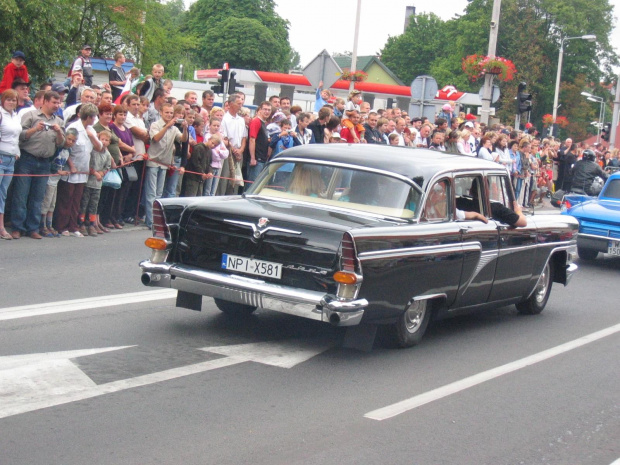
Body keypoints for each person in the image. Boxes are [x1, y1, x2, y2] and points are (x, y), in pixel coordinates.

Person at [10, 91, 65, 239]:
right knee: (21, 195)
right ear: (45, 101)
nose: (57, 105)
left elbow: (62, 144)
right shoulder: (31, 116)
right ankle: (17, 227)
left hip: (45, 162)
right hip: (27, 159)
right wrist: (35, 129)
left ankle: (32, 228)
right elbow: (19, 135)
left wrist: (59, 133)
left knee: (38, 197)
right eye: (54, 102)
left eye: (58, 102)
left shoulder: (58, 121)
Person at [56, 103, 102, 237]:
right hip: (72, 169)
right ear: (88, 117)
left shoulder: (91, 130)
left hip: (83, 170)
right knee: (66, 199)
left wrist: (92, 136)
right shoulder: (73, 127)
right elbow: (67, 148)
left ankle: (73, 226)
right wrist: (71, 166)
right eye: (94, 117)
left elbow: (99, 148)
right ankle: (62, 226)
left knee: (77, 200)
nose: (95, 120)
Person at [144, 103, 188, 227]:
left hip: (164, 163)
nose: (169, 115)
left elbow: (183, 139)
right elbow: (156, 138)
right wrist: (166, 126)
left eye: (170, 113)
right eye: (166, 112)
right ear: (161, 113)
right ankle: (150, 220)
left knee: (159, 194)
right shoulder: (155, 125)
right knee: (151, 193)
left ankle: (157, 220)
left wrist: (185, 128)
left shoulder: (174, 128)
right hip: (153, 162)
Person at [39, 129, 77, 237]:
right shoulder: (58, 149)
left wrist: (72, 167)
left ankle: (49, 225)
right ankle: (43, 226)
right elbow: (49, 162)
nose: (70, 142)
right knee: (46, 203)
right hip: (49, 179)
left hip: (56, 181)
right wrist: (58, 171)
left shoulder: (67, 151)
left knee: (52, 204)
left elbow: (67, 159)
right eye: (69, 139)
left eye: (73, 141)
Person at [79, 129, 112, 236]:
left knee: (94, 205)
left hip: (98, 184)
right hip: (89, 182)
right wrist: (94, 173)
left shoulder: (107, 154)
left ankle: (91, 224)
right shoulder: (92, 151)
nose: (104, 142)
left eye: (107, 140)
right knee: (84, 203)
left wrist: (102, 173)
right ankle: (81, 223)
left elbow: (108, 166)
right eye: (102, 139)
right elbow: (88, 164)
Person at [0, 89, 22, 239]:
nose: (11, 102)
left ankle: (1, 227)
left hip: (11, 159)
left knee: (3, 194)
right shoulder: (1, 114)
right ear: (3, 100)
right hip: (1, 157)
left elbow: (16, 137)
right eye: (9, 99)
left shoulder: (16, 116)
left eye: (14, 100)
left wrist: (17, 152)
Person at [203, 117, 229, 196]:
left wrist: (220, 152)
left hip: (218, 166)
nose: (216, 127)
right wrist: (220, 154)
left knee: (213, 190)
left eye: (218, 126)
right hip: (210, 165)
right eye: (214, 125)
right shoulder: (208, 136)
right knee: (208, 189)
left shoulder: (219, 137)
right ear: (209, 126)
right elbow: (213, 154)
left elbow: (226, 153)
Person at [247, 101, 272, 182]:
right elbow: (252, 139)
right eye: (265, 109)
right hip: (257, 159)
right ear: (260, 110)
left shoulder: (263, 123)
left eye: (269, 110)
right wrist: (253, 158)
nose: (267, 112)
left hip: (262, 159)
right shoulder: (256, 121)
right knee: (252, 185)